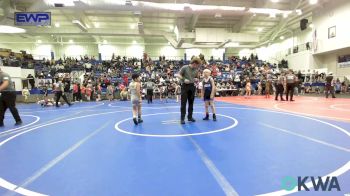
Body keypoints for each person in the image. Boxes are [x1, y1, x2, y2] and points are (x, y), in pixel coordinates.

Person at [177, 57, 200, 124]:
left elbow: (196, 77)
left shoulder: (196, 69)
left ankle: (190, 117)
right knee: (183, 103)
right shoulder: (185, 67)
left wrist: (196, 79)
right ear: (194, 63)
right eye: (197, 65)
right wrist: (184, 79)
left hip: (192, 86)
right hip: (185, 86)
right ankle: (182, 119)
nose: (197, 66)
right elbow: (178, 75)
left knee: (191, 103)